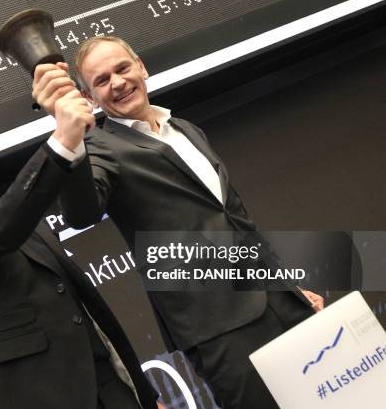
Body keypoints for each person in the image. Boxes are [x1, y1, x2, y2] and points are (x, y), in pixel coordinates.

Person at [32, 36, 324, 409]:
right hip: (217, 327)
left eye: (122, 68)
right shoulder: (97, 149)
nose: (117, 82)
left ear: (141, 67)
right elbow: (81, 212)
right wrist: (68, 134)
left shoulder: (186, 129)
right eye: (101, 81)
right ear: (89, 98)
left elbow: (236, 219)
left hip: (279, 300)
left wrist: (289, 287)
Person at [0, 103, 164, 409]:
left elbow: (90, 314)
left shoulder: (29, 223)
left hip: (109, 389)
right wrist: (61, 143)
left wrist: (145, 396)